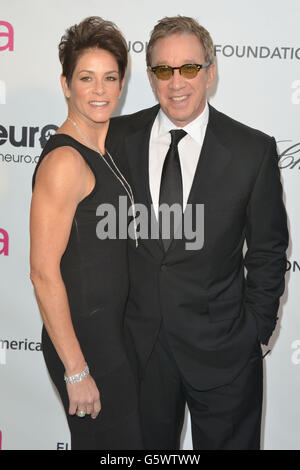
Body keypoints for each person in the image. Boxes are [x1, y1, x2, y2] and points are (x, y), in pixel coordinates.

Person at [107, 16, 289, 450]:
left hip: (225, 355)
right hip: (139, 356)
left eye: (188, 68)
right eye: (163, 70)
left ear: (210, 72)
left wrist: (256, 333)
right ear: (150, 77)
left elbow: (267, 250)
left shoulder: (252, 150)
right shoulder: (115, 139)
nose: (176, 82)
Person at [30, 16, 142, 450]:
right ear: (65, 83)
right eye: (86, 78)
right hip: (84, 341)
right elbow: (42, 272)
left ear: (121, 83)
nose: (99, 90)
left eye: (109, 78)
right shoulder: (65, 162)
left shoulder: (103, 147)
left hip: (111, 334)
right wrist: (75, 370)